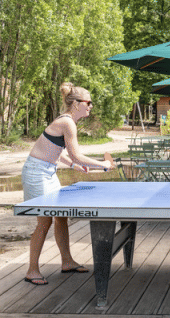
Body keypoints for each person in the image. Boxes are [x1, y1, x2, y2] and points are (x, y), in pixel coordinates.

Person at [22, 82, 113, 285]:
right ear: (76, 104)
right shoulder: (67, 122)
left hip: (48, 171)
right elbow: (77, 154)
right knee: (44, 222)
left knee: (61, 216)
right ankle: (32, 270)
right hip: (37, 174)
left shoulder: (69, 121)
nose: (91, 106)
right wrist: (104, 165)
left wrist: (73, 165)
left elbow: (56, 149)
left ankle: (67, 261)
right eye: (88, 102)